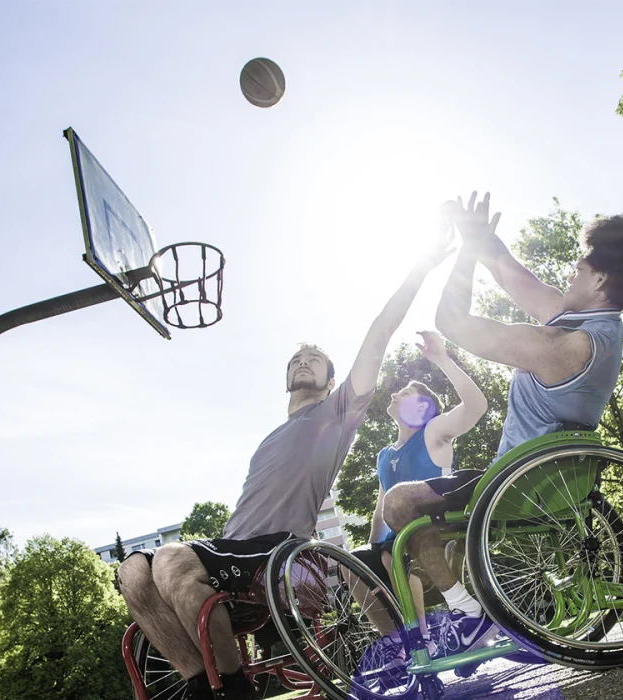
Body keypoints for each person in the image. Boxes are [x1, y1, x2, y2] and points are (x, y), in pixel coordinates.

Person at [115, 236, 452, 700]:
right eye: (296, 358)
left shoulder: (337, 412)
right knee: (132, 569)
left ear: (331, 379)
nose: (302, 360)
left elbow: (379, 331)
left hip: (277, 554)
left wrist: (422, 265)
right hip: (229, 551)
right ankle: (202, 683)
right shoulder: (270, 438)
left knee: (171, 556)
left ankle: (232, 689)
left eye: (313, 358)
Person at [381, 192, 623, 651]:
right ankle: (476, 607)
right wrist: (479, 239)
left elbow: (452, 321)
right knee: (447, 543)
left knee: (398, 505)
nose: (572, 267)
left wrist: (467, 255)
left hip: (516, 485)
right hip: (537, 480)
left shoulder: (566, 345)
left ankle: (469, 615)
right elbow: (513, 275)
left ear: (598, 278)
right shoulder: (596, 327)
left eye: (580, 265)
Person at [349, 330, 487, 642]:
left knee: (391, 552)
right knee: (354, 563)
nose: (395, 394)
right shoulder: (385, 455)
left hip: (437, 523)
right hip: (396, 532)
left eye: (405, 393)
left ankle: (430, 632)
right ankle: (401, 647)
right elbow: (379, 512)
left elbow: (476, 406)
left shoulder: (433, 431)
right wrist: (371, 549)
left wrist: (442, 359)